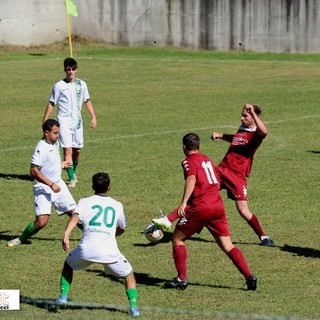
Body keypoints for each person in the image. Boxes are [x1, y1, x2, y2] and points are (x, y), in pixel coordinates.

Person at [153, 104, 274, 247]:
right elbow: (237, 139)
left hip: (237, 176)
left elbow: (264, 132)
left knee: (243, 211)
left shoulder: (256, 133)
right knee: (199, 193)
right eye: (242, 115)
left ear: (254, 116)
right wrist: (222, 135)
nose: (242, 118)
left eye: (245, 116)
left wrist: (252, 113)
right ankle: (169, 219)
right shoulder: (243, 127)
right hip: (222, 170)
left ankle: (263, 236)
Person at [161, 133, 257, 290]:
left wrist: (184, 202)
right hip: (217, 207)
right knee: (227, 245)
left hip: (201, 207)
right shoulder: (208, 160)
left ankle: (181, 279)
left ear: (184, 147)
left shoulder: (187, 161)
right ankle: (249, 276)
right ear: (199, 146)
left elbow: (191, 178)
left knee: (177, 239)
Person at [55, 172, 140, 318]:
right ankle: (134, 308)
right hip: (109, 252)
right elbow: (122, 228)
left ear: (93, 186)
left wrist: (66, 235)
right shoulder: (117, 205)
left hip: (86, 251)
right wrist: (111, 234)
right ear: (109, 187)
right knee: (128, 274)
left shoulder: (84, 202)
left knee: (68, 265)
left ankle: (63, 297)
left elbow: (75, 217)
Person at [8, 119, 76, 247]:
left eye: (58, 133)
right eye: (55, 133)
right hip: (44, 187)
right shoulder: (41, 147)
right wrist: (51, 184)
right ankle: (20, 239)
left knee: (76, 214)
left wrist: (61, 165)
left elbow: (49, 163)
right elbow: (34, 171)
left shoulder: (54, 144)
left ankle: (94, 237)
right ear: (46, 133)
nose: (58, 136)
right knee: (41, 222)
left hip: (58, 185)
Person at [42, 57, 97, 188]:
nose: (71, 72)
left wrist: (93, 117)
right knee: (67, 149)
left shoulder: (81, 84)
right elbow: (51, 103)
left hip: (77, 121)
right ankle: (72, 178)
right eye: (68, 70)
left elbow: (87, 101)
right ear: (64, 70)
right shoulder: (59, 86)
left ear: (76, 70)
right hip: (64, 121)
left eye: (73, 69)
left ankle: (72, 172)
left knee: (77, 150)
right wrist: (45, 119)